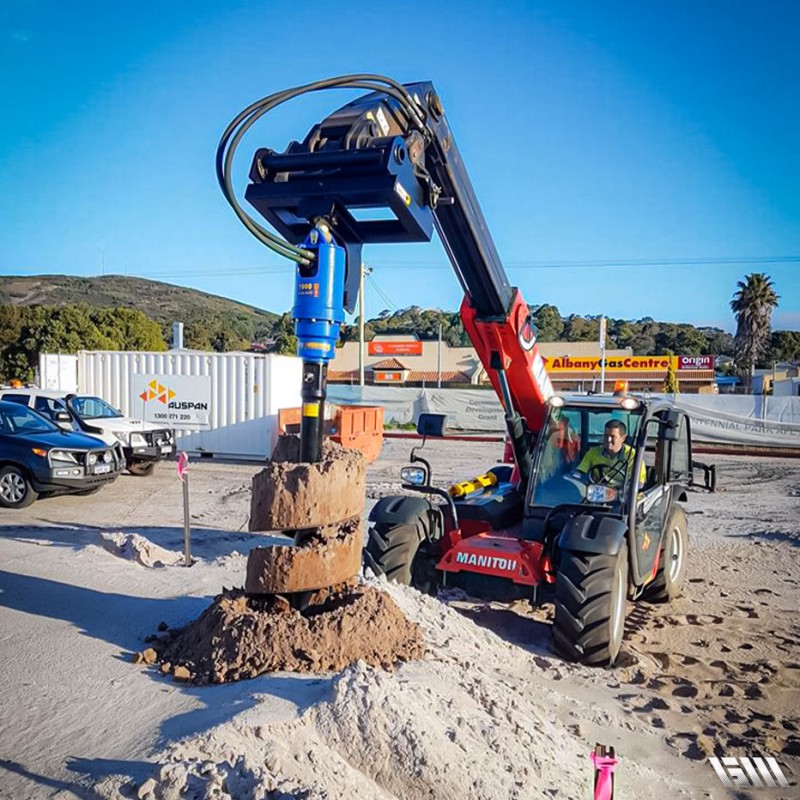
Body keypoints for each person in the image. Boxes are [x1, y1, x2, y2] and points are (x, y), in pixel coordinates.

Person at [575, 419, 645, 489]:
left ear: (623, 438)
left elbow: (639, 483)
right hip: (595, 493)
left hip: (623, 495)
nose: (608, 439)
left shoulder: (633, 456)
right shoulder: (593, 452)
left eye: (612, 436)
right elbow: (580, 472)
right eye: (606, 435)